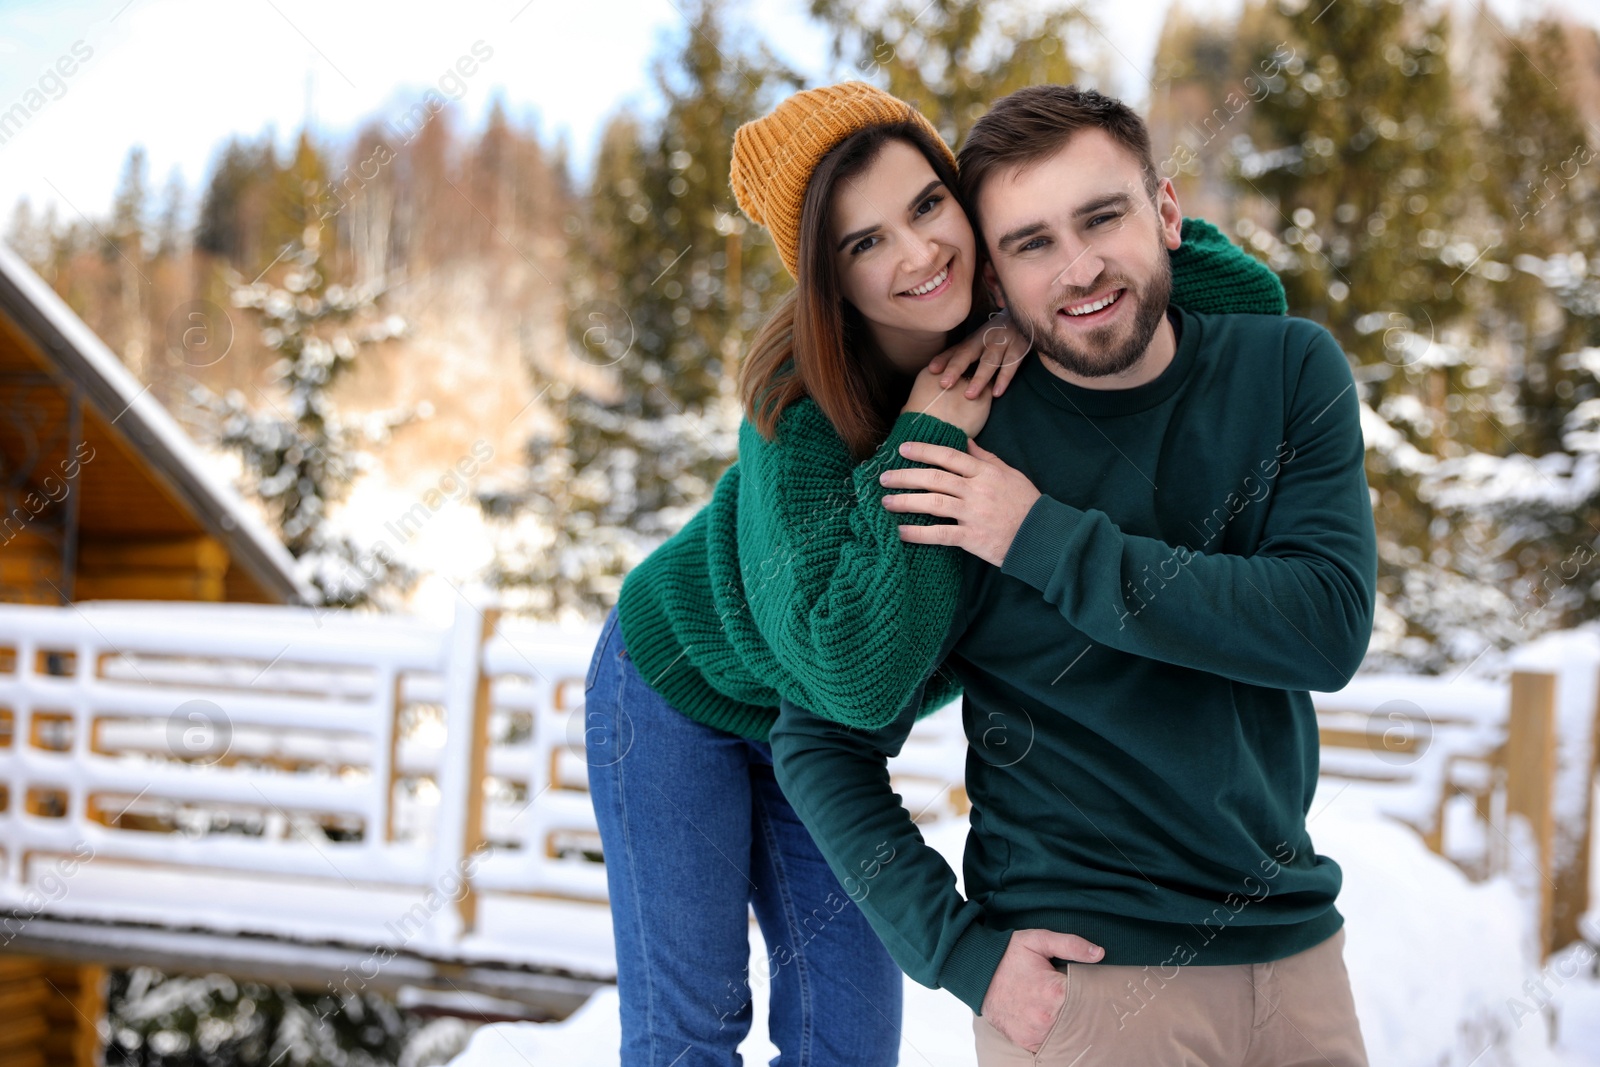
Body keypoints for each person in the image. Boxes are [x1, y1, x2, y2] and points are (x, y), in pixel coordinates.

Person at [581, 81, 1290, 1066]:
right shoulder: (799, 420)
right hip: (677, 695)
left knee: (851, 1041)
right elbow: (856, 675)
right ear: (825, 280)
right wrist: (927, 431)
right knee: (688, 1029)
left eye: (925, 206)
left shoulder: (1034, 309)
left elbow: (1252, 304)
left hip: (819, 741)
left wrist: (1046, 274)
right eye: (862, 242)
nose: (917, 254)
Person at [769, 83, 1377, 1067]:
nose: (1081, 265)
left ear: (1167, 213)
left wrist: (1039, 537)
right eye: (1032, 242)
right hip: (1090, 993)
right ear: (995, 276)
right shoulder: (961, 448)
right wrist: (960, 952)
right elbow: (818, 735)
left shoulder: (1287, 370)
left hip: (1299, 954)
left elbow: (1324, 625)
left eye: (1103, 218)